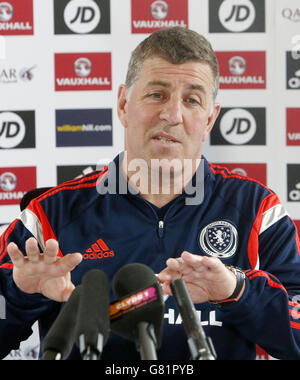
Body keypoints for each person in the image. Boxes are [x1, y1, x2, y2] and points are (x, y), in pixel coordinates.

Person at [1, 26, 300, 360]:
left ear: (210, 119)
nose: (172, 115)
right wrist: (19, 293)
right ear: (123, 104)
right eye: (157, 94)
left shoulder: (258, 210)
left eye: (192, 100)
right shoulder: (49, 215)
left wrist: (237, 291)